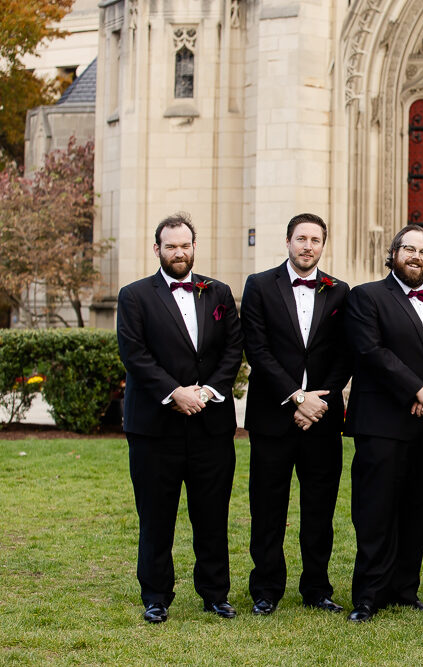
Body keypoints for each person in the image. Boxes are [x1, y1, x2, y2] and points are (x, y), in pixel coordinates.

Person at [116, 212, 244, 623]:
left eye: (185, 245)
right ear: (157, 249)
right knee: (156, 516)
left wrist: (206, 392)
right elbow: (135, 354)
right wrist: (175, 393)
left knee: (212, 515)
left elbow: (232, 350)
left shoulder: (218, 292)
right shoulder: (134, 296)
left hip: (210, 425)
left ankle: (215, 593)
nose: (179, 252)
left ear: (194, 247)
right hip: (155, 428)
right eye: (170, 246)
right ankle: (155, 595)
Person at [343, 224, 423, 622]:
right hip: (383, 423)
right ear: (394, 253)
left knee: (418, 508)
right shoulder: (367, 297)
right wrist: (418, 391)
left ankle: (404, 589)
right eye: (409, 249)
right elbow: (372, 352)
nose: (416, 257)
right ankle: (368, 595)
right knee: (375, 509)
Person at [241, 213, 351, 616]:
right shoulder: (259, 286)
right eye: (301, 239)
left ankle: (317, 588)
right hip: (274, 416)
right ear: (287, 241)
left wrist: (319, 401)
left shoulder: (340, 291)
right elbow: (257, 348)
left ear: (323, 245)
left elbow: (346, 352)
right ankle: (266, 589)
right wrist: (294, 395)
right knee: (268, 508)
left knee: (319, 510)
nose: (308, 246)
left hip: (322, 419)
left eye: (315, 240)